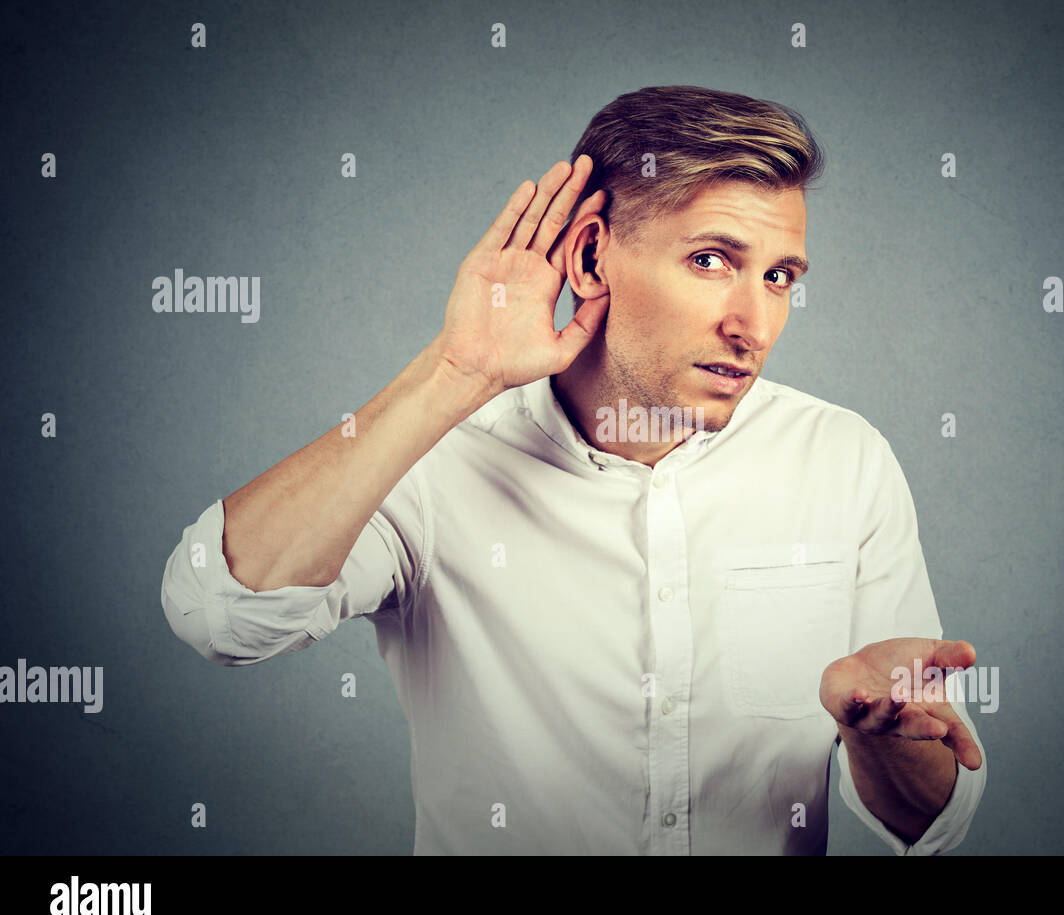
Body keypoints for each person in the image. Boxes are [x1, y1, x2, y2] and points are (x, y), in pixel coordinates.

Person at [161, 85, 987, 855]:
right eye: (711, 260)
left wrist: (877, 734)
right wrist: (453, 373)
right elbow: (222, 617)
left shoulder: (842, 460)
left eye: (778, 277)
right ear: (591, 259)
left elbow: (933, 818)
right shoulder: (439, 461)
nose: (754, 325)